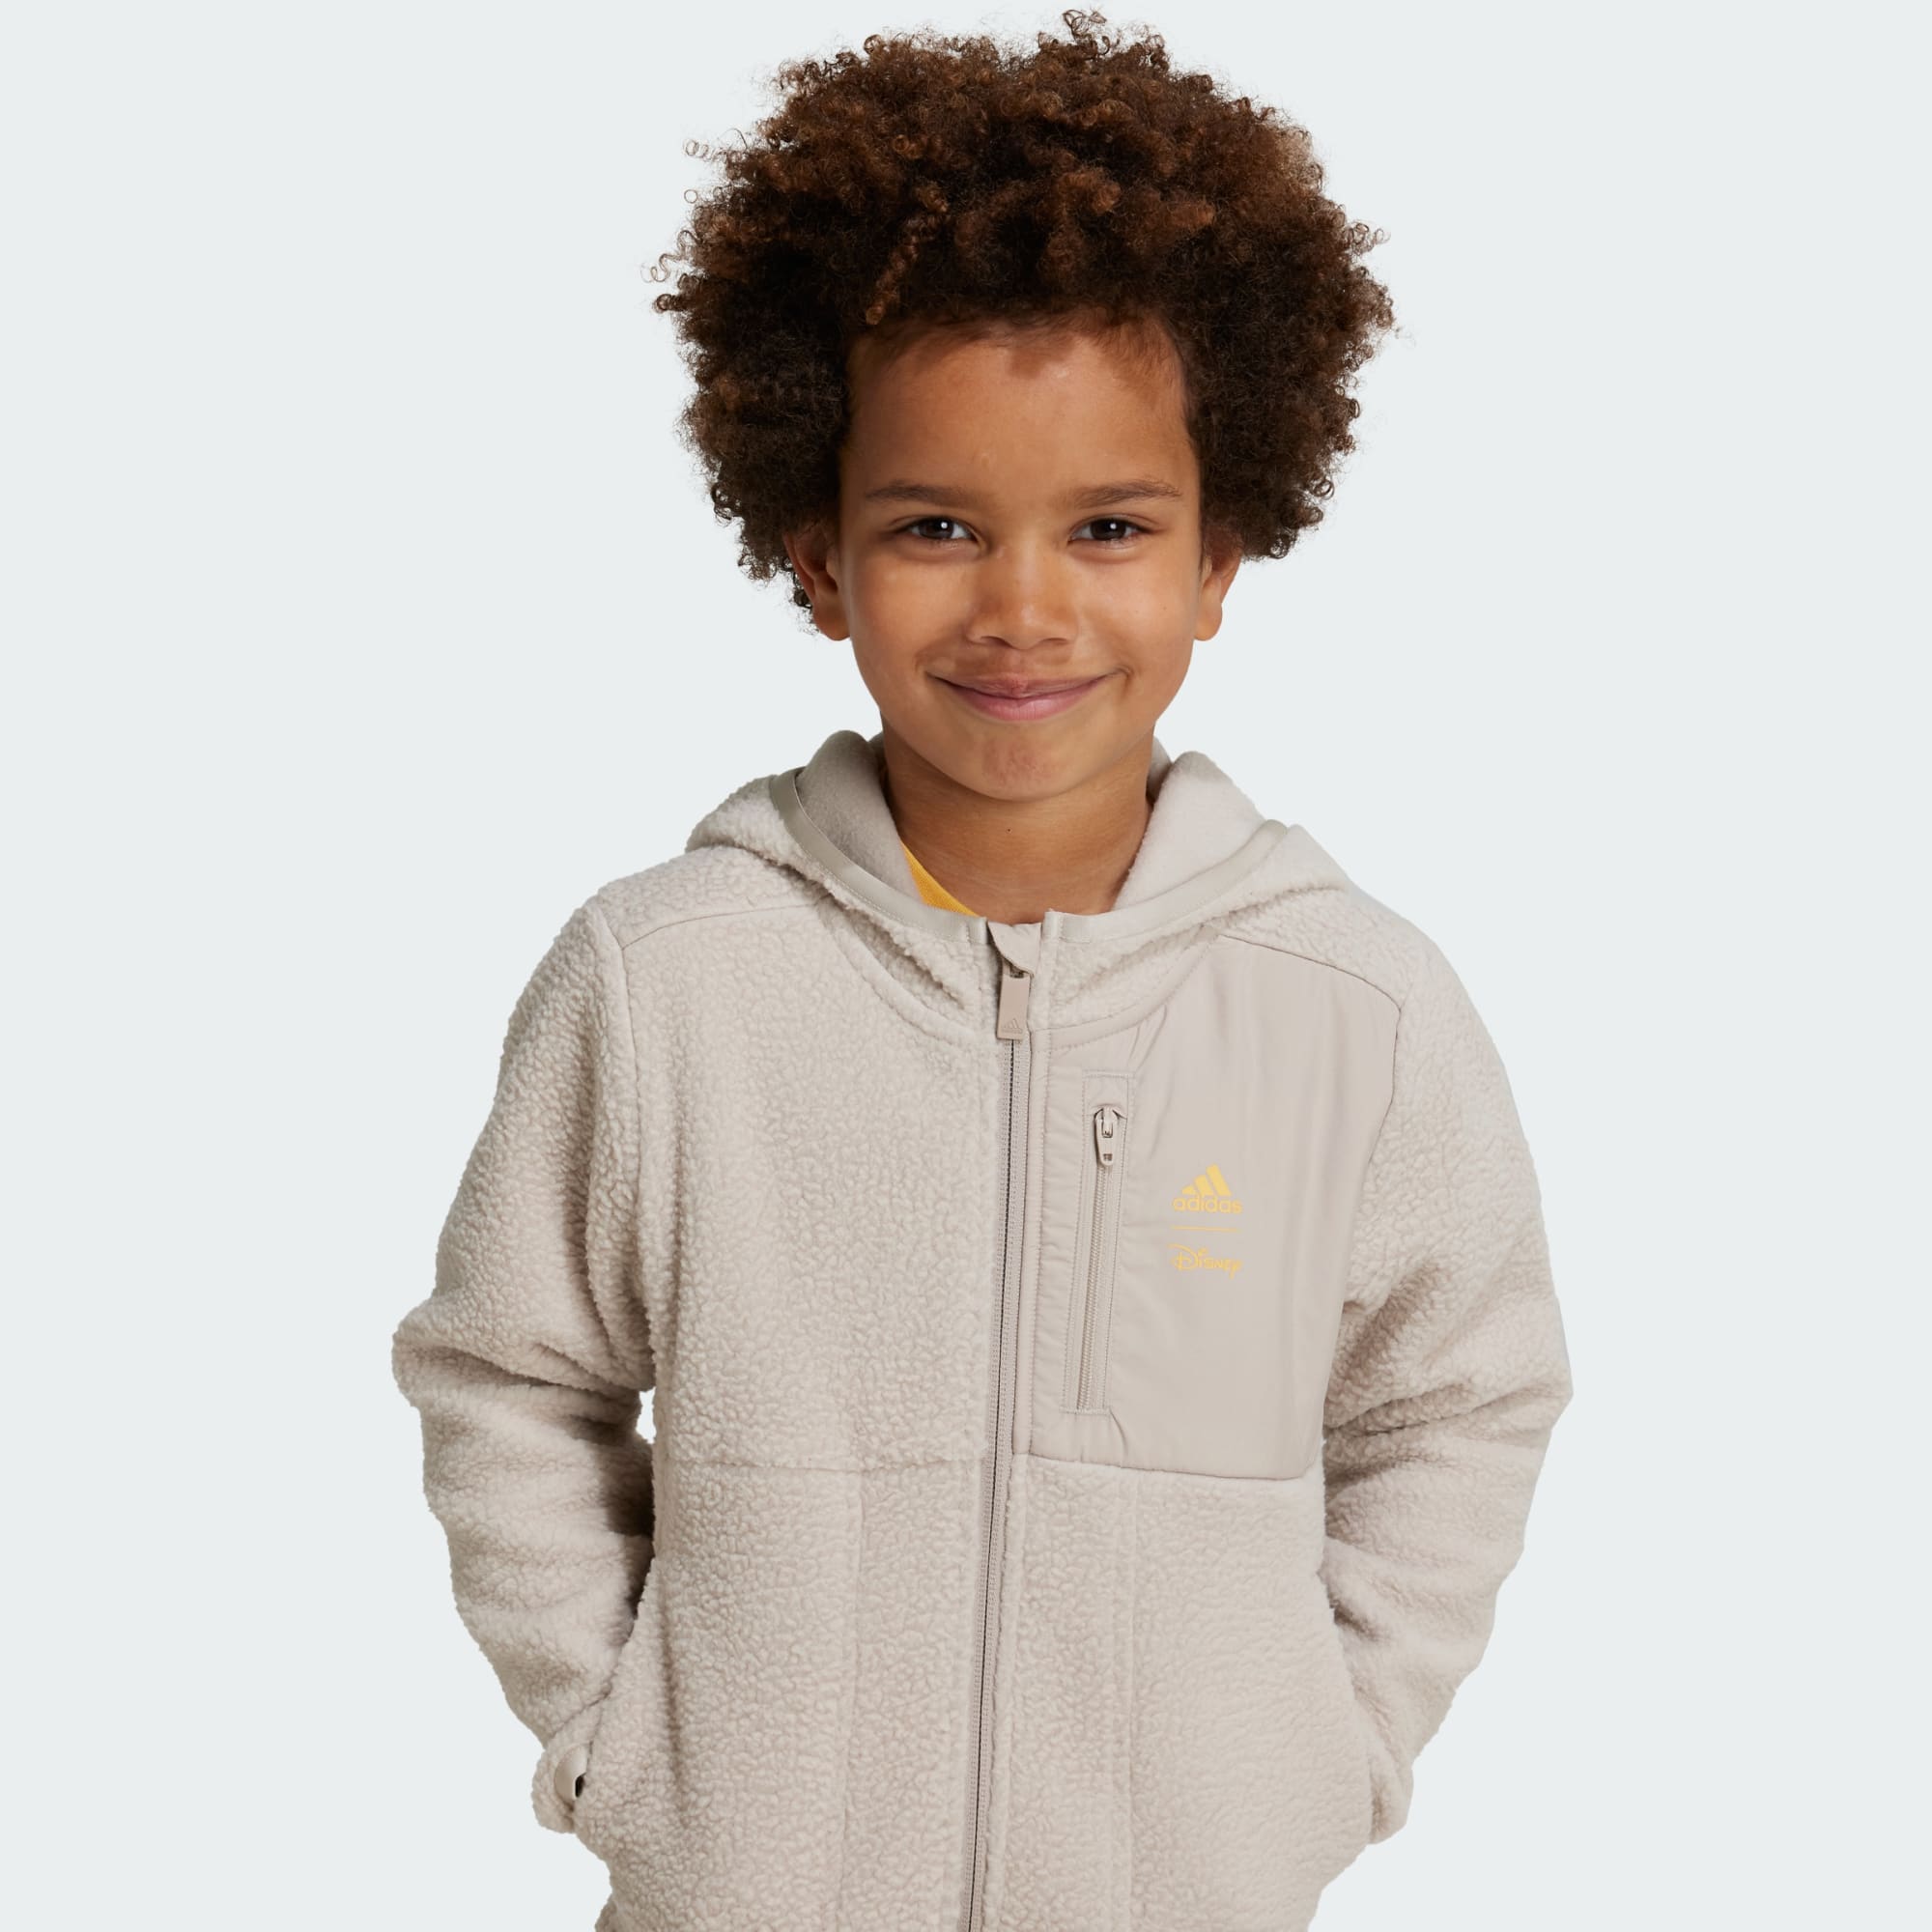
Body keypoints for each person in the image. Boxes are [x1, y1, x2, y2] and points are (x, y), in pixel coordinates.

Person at [389, 14, 1575, 1931]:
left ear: (1218, 559)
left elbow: (1454, 1399)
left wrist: (1328, 1751)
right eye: (936, 527)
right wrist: (624, 1752)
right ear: (817, 558)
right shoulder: (667, 983)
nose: (1023, 606)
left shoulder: (1350, 1010)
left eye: (1109, 528)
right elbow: (509, 1372)